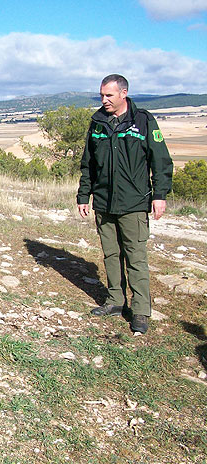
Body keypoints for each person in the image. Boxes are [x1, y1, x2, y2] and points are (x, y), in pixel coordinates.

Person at [77, 74, 173, 334]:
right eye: (101, 95)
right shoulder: (97, 122)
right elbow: (89, 164)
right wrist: (84, 196)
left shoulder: (142, 121)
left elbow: (161, 161)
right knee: (110, 254)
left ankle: (140, 310)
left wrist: (159, 195)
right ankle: (115, 301)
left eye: (108, 95)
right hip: (104, 202)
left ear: (123, 93)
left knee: (136, 257)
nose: (104, 100)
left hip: (133, 202)